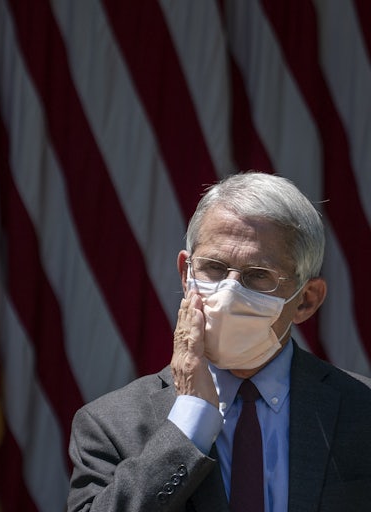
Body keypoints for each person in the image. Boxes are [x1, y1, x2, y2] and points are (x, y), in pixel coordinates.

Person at [67, 171, 371, 511]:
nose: (229, 293)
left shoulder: (362, 410)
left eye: (258, 275)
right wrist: (189, 423)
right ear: (186, 274)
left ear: (306, 300)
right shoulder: (110, 424)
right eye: (213, 268)